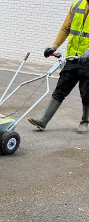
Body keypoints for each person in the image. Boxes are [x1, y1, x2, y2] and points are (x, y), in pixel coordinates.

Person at [29, 0, 89, 134]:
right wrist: (54, 46)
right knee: (60, 89)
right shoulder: (77, 5)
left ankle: (85, 121)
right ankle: (43, 120)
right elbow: (66, 28)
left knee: (86, 93)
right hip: (73, 58)